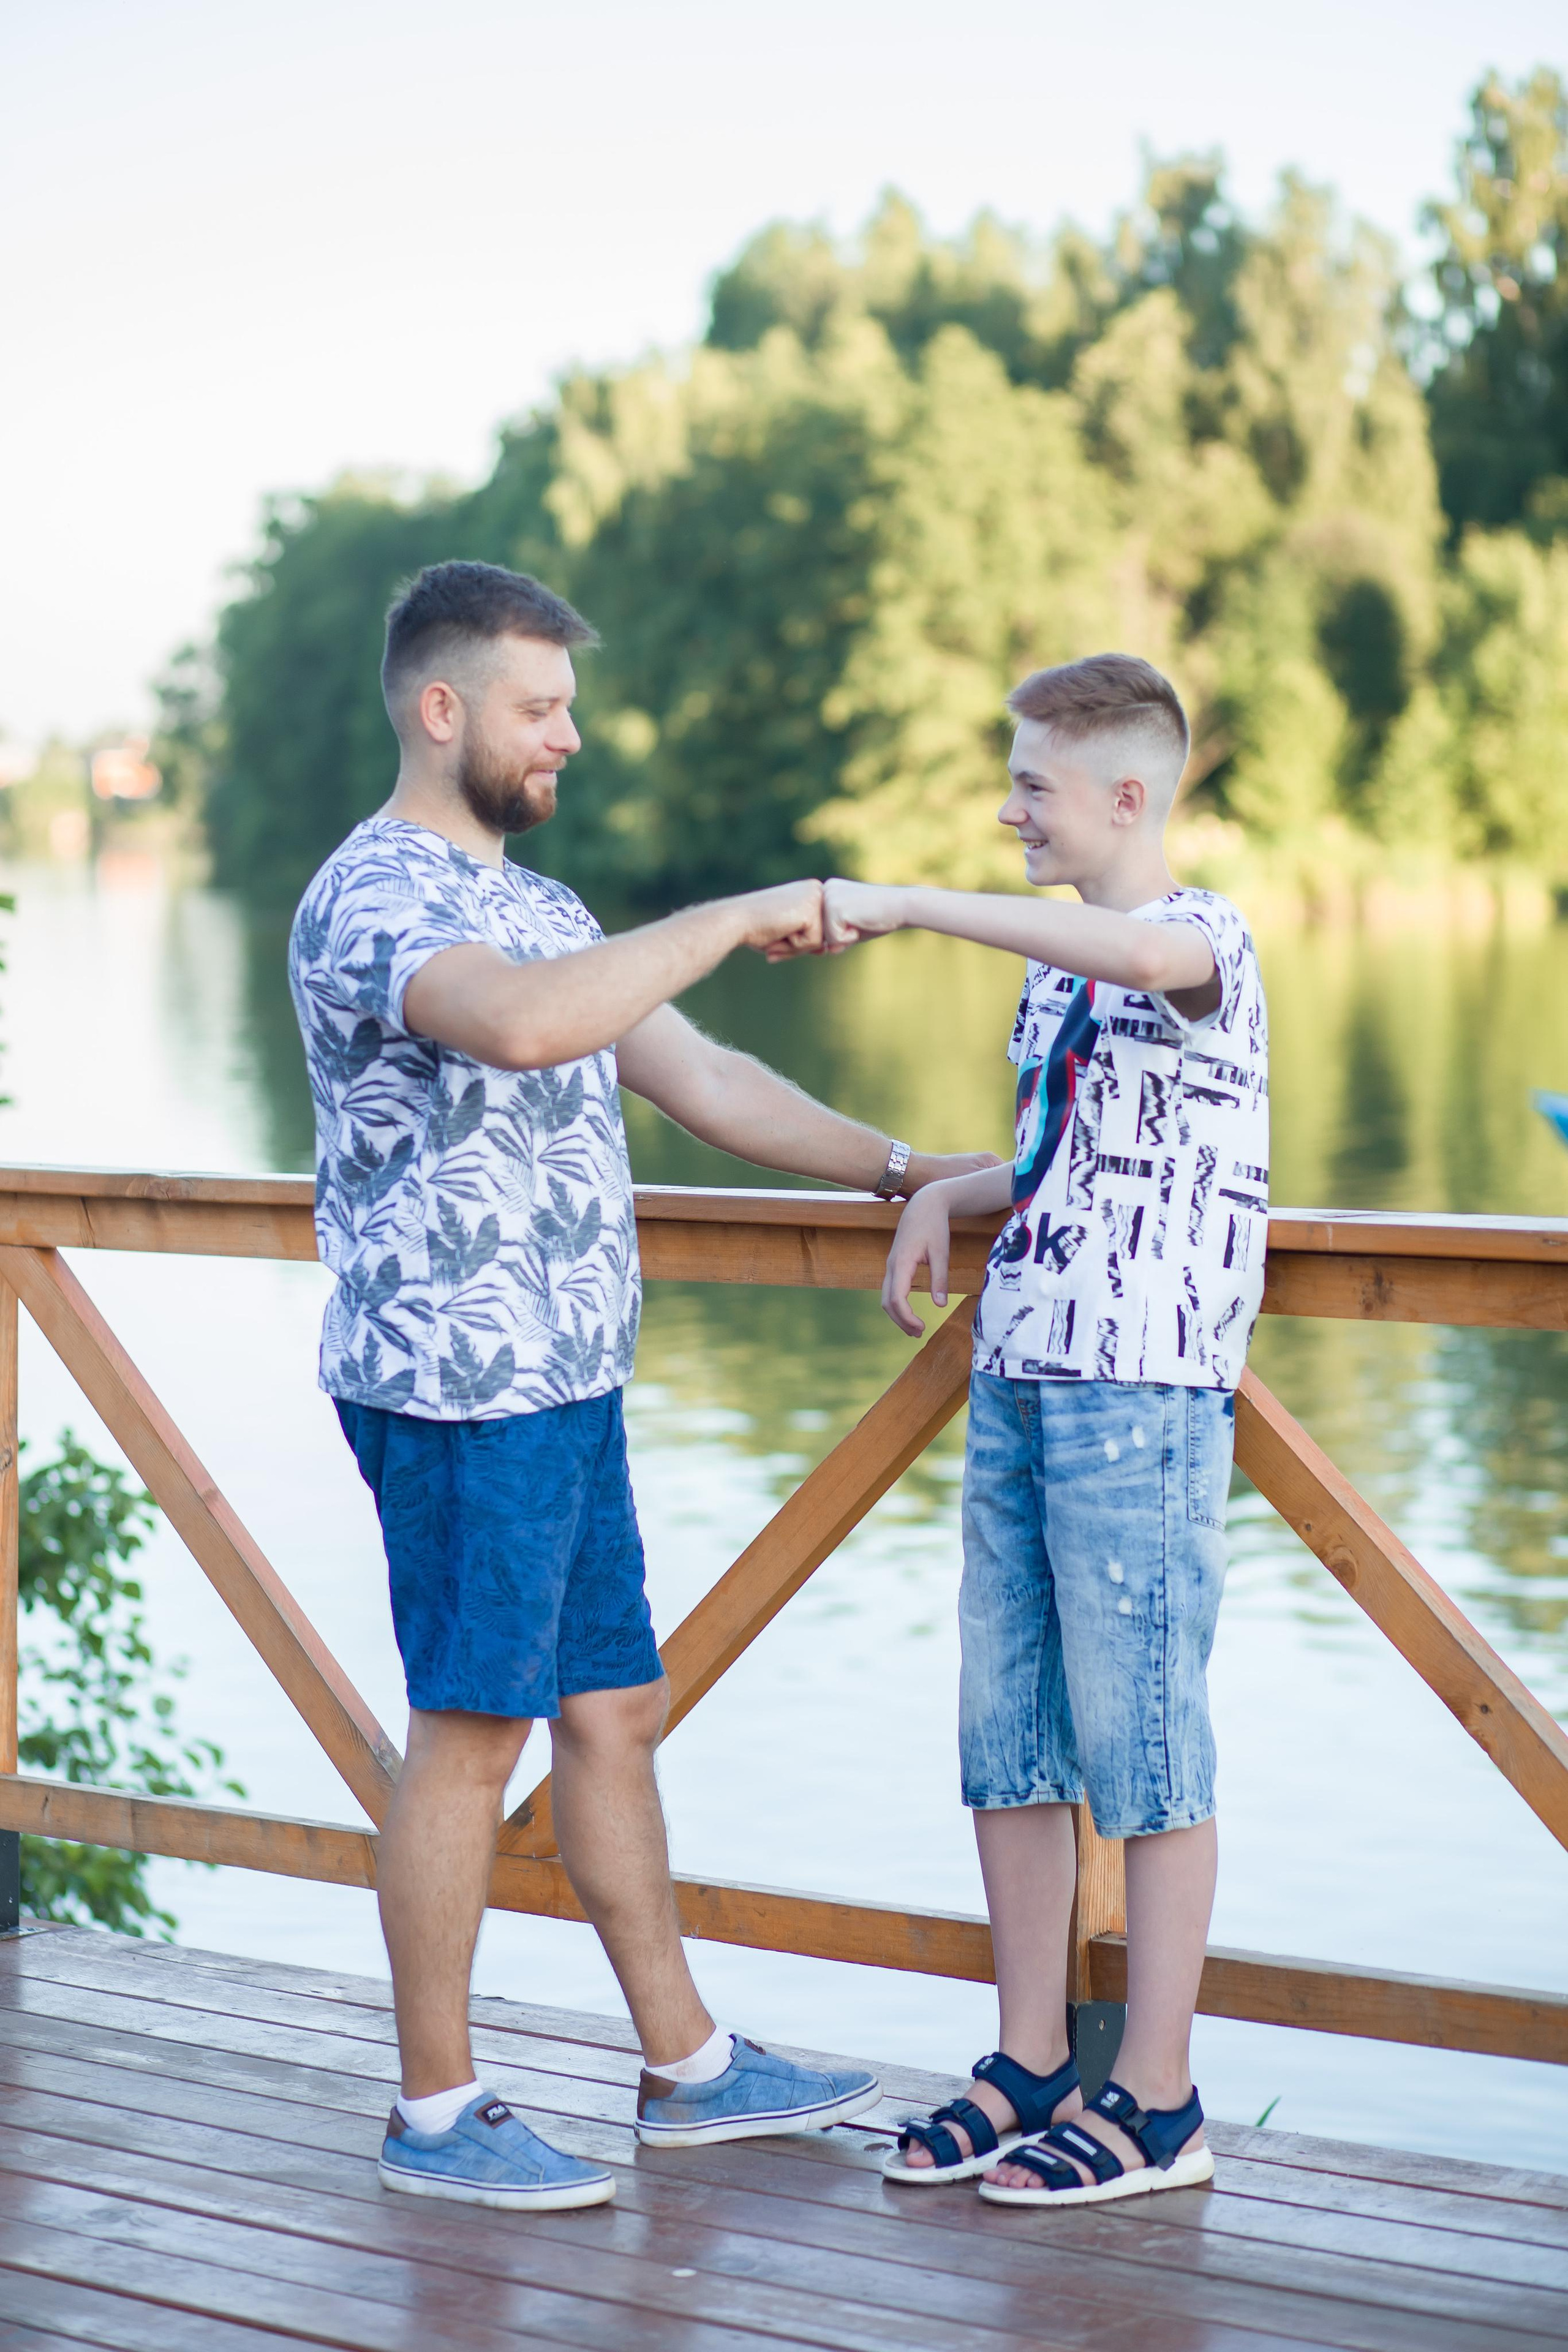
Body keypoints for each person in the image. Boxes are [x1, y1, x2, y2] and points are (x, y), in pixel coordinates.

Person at [288, 559, 994, 2213]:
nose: (573, 738)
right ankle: (437, 2115)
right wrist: (738, 915)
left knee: (613, 1710)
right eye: (543, 709)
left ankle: (686, 2071)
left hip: (570, 1374)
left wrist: (919, 1171)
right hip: (459, 1386)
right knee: (468, 1735)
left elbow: (711, 1079)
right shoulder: (378, 895)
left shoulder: (544, 905)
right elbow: (526, 1032)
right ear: (440, 707)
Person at [816, 652, 1268, 2209]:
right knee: (1005, 1727)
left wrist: (914, 902)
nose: (1009, 807)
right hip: (1016, 1375)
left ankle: (1157, 2098)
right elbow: (1060, 1160)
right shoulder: (1063, 967)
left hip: (1140, 1392)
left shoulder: (1196, 940)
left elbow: (1154, 966)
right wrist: (947, 1188)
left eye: (1031, 784)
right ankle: (1028, 2063)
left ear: (1124, 796)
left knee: (1142, 1737)